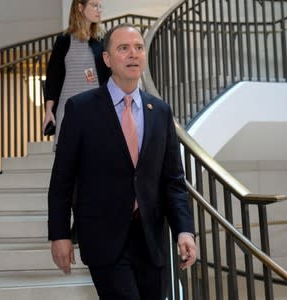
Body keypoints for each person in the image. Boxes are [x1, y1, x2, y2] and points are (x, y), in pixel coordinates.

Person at [48, 23, 197, 299]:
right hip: (104, 240)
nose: (133, 54)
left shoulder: (160, 112)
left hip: (152, 242)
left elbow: (173, 181)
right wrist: (60, 234)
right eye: (123, 48)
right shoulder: (80, 109)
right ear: (107, 59)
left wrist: (184, 231)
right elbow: (62, 179)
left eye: (138, 48)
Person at [42, 0, 110, 147]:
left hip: (96, 109)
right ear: (80, 7)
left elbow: (109, 78)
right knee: (68, 163)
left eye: (100, 6)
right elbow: (53, 79)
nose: (99, 10)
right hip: (68, 110)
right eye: (94, 5)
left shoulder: (102, 41)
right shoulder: (63, 41)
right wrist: (48, 111)